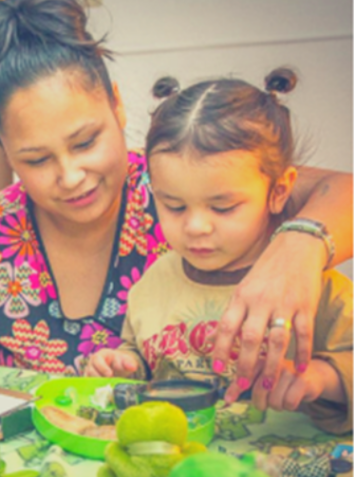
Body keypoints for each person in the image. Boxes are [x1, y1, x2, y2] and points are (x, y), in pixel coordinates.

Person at [0, 0, 352, 392]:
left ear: (117, 104)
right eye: (36, 160)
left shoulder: (179, 186)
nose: (71, 175)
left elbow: (339, 189)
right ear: (4, 149)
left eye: (86, 142)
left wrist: (298, 249)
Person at [86, 70, 351, 433]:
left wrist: (323, 376)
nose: (196, 227)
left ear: (279, 190)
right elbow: (139, 352)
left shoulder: (311, 286)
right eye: (174, 206)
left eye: (222, 207)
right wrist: (119, 362)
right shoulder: (154, 280)